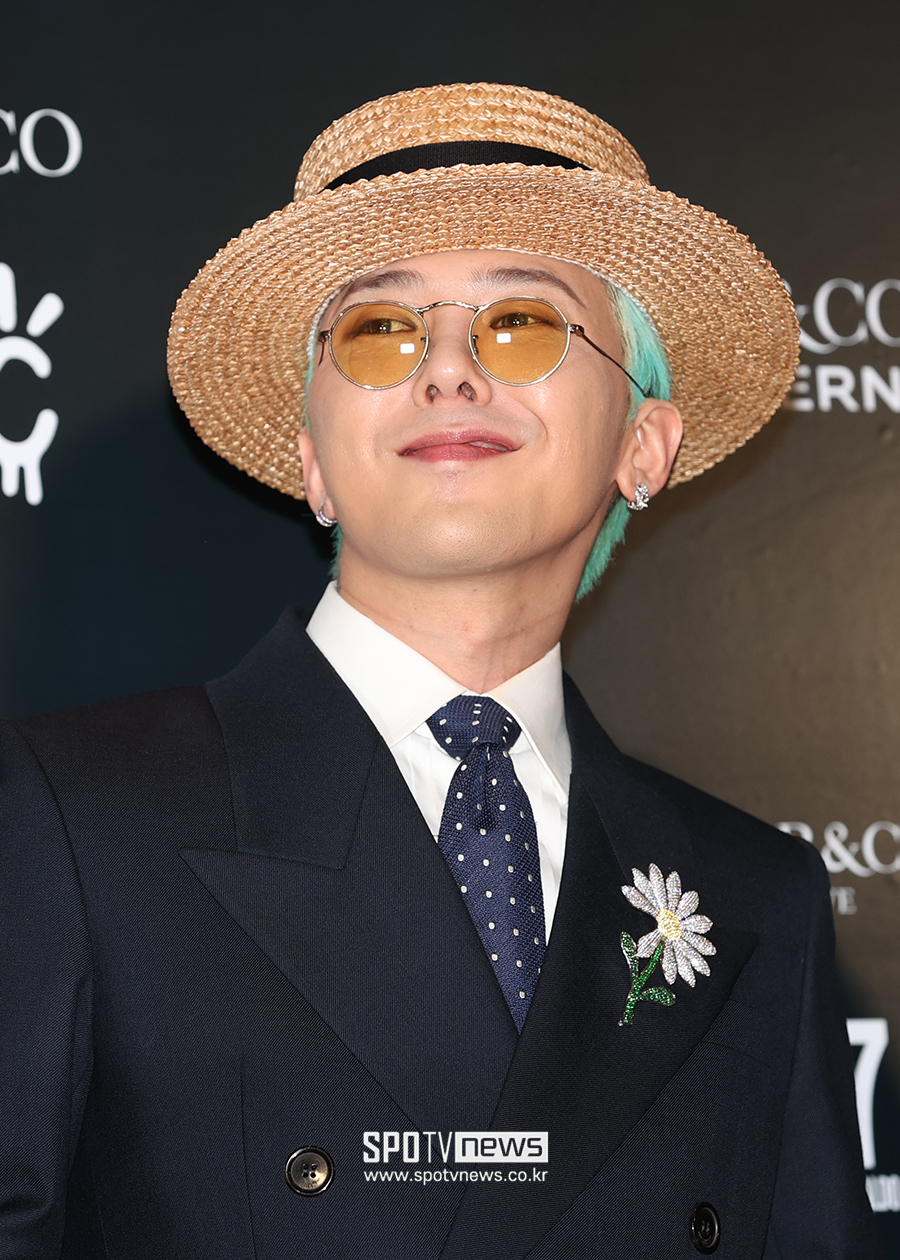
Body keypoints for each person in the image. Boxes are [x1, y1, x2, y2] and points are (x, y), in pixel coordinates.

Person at [0, 83, 881, 1259]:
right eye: (381, 330)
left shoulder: (756, 897)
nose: (449, 369)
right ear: (314, 462)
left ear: (643, 445)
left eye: (523, 323)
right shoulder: (68, 819)